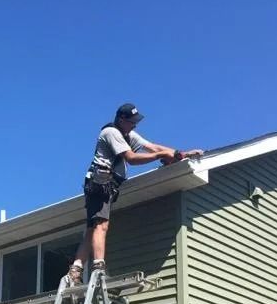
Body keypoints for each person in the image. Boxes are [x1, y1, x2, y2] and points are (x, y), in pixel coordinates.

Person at [66, 103, 203, 285]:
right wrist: (160, 156)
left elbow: (152, 147)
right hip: (100, 183)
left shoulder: (128, 134)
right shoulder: (111, 133)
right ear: (121, 119)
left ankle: (76, 270)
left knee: (93, 229)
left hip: (106, 185)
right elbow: (132, 158)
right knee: (101, 225)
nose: (134, 125)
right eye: (132, 122)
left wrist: (180, 154)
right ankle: (98, 269)